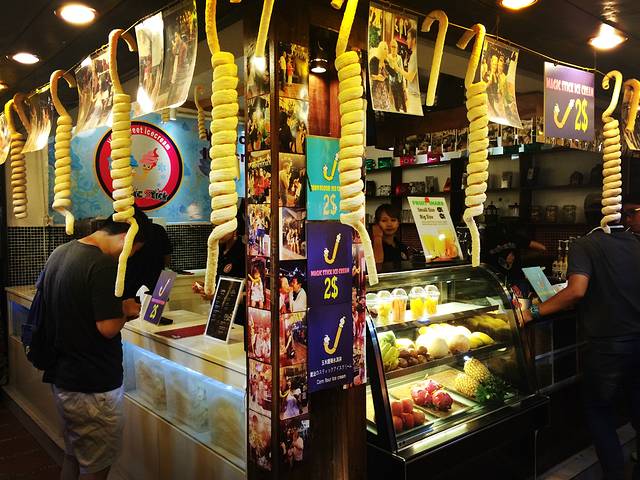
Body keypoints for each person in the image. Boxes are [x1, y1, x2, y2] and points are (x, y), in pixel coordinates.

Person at [521, 207, 640, 480]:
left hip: (607, 345)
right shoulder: (635, 242)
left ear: (588, 217)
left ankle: (614, 474)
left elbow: (576, 291)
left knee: (600, 412)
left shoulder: (585, 244)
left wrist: (533, 312)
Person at [41, 210, 149, 480]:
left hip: (64, 377)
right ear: (125, 238)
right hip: (92, 387)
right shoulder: (102, 264)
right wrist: (127, 310)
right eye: (132, 251)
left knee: (74, 457)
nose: (127, 257)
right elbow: (108, 327)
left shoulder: (61, 253)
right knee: (95, 468)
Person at [482, 218, 546, 287]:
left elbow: (542, 248)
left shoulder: (486, 241)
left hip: (497, 280)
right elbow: (542, 248)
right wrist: (522, 256)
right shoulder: (515, 237)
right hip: (513, 279)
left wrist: (522, 256)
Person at [124, 214, 172, 299]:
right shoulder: (159, 229)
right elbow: (167, 257)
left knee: (133, 306)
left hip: (132, 282)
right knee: (158, 307)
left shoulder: (128, 231)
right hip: (160, 281)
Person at [369, 41, 392, 111]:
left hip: (385, 92)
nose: (387, 51)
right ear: (380, 50)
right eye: (385, 49)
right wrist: (377, 77)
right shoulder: (374, 60)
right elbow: (370, 75)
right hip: (376, 91)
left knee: (386, 109)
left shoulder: (386, 62)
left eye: (387, 49)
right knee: (377, 109)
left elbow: (392, 74)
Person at [387, 39, 407, 112]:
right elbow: (388, 69)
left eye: (395, 47)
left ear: (397, 48)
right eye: (392, 46)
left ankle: (405, 110)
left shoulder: (399, 58)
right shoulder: (388, 57)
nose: (393, 48)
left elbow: (401, 69)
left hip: (399, 79)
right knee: (395, 97)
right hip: (392, 81)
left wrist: (404, 81)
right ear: (390, 47)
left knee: (402, 96)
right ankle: (397, 110)